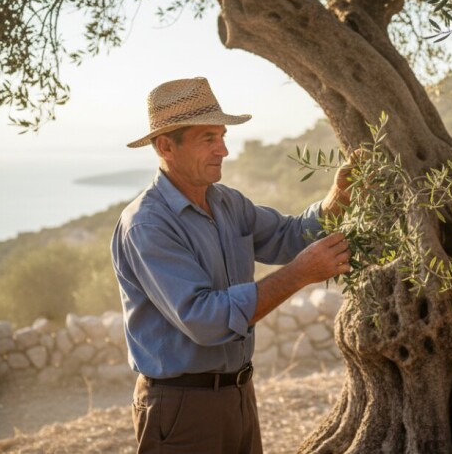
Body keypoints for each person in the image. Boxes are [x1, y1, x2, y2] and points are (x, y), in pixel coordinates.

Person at [111, 77, 352, 454]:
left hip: (238, 395)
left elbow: (288, 235)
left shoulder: (227, 203)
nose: (223, 149)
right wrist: (301, 274)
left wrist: (336, 199)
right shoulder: (147, 225)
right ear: (164, 146)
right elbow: (204, 319)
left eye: (222, 136)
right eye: (208, 138)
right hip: (181, 409)